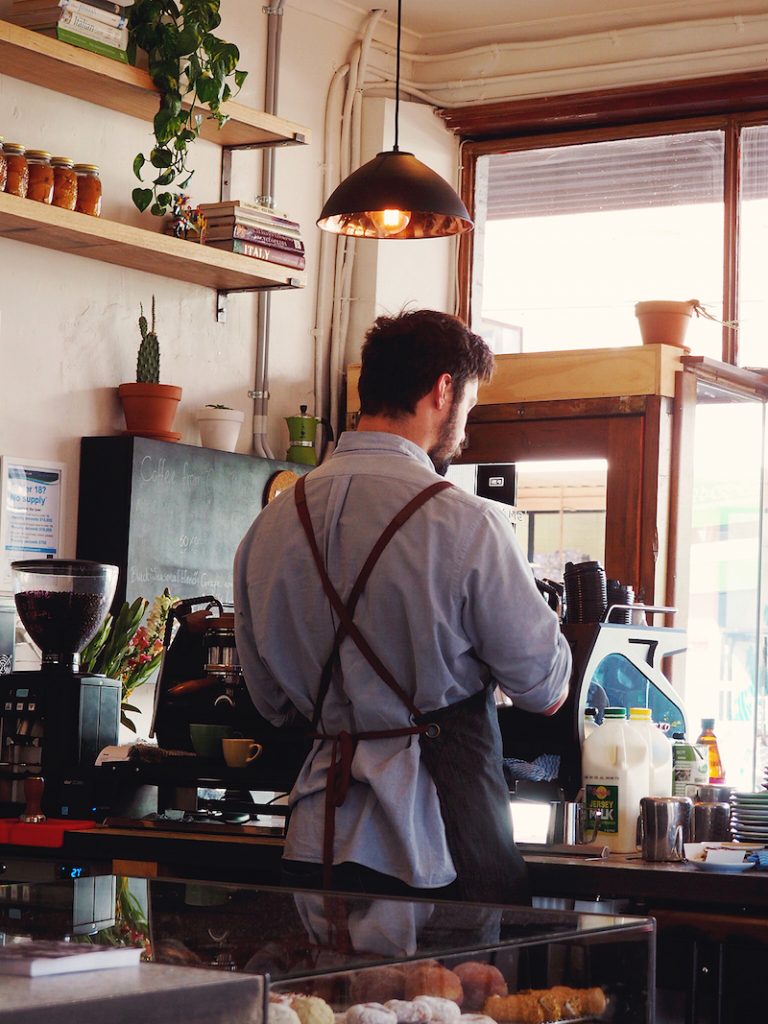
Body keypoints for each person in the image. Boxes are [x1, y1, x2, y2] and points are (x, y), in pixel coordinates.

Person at [234, 309, 571, 903]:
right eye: (467, 402)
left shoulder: (268, 529)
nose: (464, 424)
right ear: (444, 388)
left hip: (314, 844)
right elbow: (544, 688)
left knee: (325, 999)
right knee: (443, 1000)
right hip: (436, 849)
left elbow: (271, 706)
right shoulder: (467, 523)